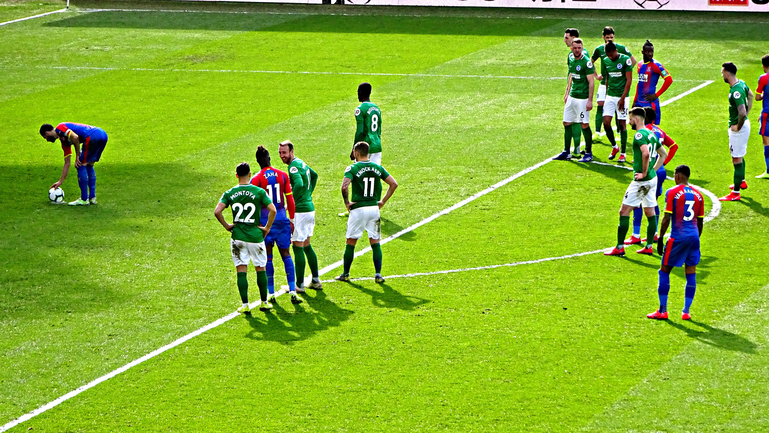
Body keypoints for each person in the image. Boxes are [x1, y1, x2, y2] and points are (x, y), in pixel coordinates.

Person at [215, 162, 277, 314]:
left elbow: (217, 211)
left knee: (241, 269)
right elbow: (272, 210)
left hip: (238, 237)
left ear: (236, 175)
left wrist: (227, 225)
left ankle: (245, 305)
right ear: (250, 174)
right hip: (255, 237)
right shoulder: (258, 191)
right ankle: (264, 302)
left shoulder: (229, 193)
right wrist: (267, 228)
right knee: (260, 268)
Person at [605, 107, 667, 257]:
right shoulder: (651, 134)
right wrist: (653, 169)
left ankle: (619, 247)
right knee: (650, 211)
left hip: (642, 181)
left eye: (630, 118)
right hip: (653, 179)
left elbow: (645, 153)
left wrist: (645, 172)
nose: (629, 121)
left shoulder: (639, 135)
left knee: (624, 211)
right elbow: (663, 154)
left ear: (637, 119)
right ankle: (649, 246)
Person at [647, 165, 705, 321]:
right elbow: (700, 222)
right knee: (690, 272)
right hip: (694, 237)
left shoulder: (672, 192)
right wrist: (696, 238)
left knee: (664, 270)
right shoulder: (699, 195)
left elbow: (666, 218)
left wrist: (659, 238)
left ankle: (662, 310)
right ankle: (686, 311)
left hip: (678, 237)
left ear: (678, 176)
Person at [336, 142, 398, 283]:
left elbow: (344, 187)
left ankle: (345, 274)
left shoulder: (352, 167)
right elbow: (394, 184)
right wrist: (382, 201)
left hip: (358, 209)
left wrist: (346, 203)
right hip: (373, 209)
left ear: (356, 152)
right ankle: (378, 274)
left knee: (351, 241)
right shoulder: (377, 167)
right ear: (368, 153)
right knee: (375, 242)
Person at [251, 146, 303, 305]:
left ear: (258, 161)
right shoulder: (282, 175)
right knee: (286, 254)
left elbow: (255, 206)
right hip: (281, 220)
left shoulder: (256, 179)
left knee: (268, 257)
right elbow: (290, 200)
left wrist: (257, 225)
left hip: (266, 222)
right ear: (269, 159)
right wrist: (292, 220)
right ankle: (293, 290)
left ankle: (271, 293)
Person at [626, 106, 679, 245]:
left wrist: (642, 164)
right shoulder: (658, 130)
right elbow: (673, 146)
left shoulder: (644, 131)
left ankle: (636, 234)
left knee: (637, 202)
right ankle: (654, 234)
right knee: (652, 202)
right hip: (658, 170)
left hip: (648, 169)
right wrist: (663, 164)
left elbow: (645, 151)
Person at [279, 140, 323, 292]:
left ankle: (299, 286)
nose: (282, 156)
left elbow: (298, 184)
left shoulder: (293, 167)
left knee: (297, 247)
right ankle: (316, 280)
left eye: (284, 152)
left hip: (300, 212)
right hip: (309, 209)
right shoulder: (301, 163)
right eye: (280, 153)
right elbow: (315, 175)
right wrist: (308, 195)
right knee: (306, 245)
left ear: (291, 151)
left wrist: (292, 201)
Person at [40, 122, 108, 206]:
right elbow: (67, 163)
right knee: (89, 164)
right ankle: (92, 198)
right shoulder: (64, 141)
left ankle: (84, 199)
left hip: (92, 136)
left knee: (80, 165)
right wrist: (60, 181)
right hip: (103, 135)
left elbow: (75, 137)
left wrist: (77, 156)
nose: (47, 140)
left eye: (45, 137)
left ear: (46, 133)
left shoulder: (59, 128)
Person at [340, 82, 382, 217]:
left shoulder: (360, 109)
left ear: (362, 92)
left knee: (357, 175)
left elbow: (360, 131)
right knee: (376, 174)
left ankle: (355, 207)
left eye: (358, 91)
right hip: (376, 145)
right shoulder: (376, 108)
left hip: (364, 147)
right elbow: (379, 129)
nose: (357, 94)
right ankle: (376, 205)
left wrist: (355, 148)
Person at [591, 27, 636, 140]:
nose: (609, 40)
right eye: (607, 38)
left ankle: (619, 132)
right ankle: (597, 132)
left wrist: (623, 73)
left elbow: (633, 61)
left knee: (618, 107)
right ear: (603, 37)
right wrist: (596, 75)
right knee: (601, 104)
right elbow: (590, 63)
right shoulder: (599, 49)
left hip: (618, 85)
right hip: (605, 82)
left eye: (611, 37)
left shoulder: (620, 48)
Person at [554, 38, 595, 162]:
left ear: (582, 48)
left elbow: (591, 82)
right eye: (575, 48)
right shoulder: (571, 58)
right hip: (572, 97)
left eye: (579, 48)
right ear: (572, 47)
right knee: (566, 122)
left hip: (582, 99)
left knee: (584, 124)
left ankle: (588, 153)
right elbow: (571, 75)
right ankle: (566, 151)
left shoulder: (587, 62)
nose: (577, 50)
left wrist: (590, 100)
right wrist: (567, 93)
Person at [719, 62, 753, 202]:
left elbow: (742, 112)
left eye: (722, 73)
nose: (722, 75)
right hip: (744, 125)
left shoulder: (735, 91)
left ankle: (735, 193)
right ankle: (742, 180)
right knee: (740, 154)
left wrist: (739, 126)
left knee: (736, 158)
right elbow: (750, 96)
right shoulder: (742, 83)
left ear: (727, 74)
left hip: (738, 129)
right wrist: (746, 117)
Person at [602, 42, 634, 162]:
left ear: (616, 50)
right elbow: (608, 78)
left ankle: (623, 153)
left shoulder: (625, 60)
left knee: (622, 124)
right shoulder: (605, 61)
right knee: (606, 123)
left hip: (622, 97)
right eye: (608, 55)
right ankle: (615, 146)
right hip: (610, 96)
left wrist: (623, 98)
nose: (610, 57)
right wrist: (606, 95)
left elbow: (629, 80)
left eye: (612, 55)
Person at [633, 40, 673, 125]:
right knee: (639, 129)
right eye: (648, 52)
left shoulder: (656, 65)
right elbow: (639, 84)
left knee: (652, 130)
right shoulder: (640, 64)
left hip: (650, 104)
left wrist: (656, 95)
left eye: (651, 52)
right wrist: (635, 101)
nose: (650, 54)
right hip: (639, 103)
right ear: (642, 52)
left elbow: (669, 79)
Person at [754, 54, 769, 180]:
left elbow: (757, 97)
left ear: (764, 66)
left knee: (766, 142)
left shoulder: (764, 78)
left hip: (767, 114)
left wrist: (764, 95)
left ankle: (768, 170)